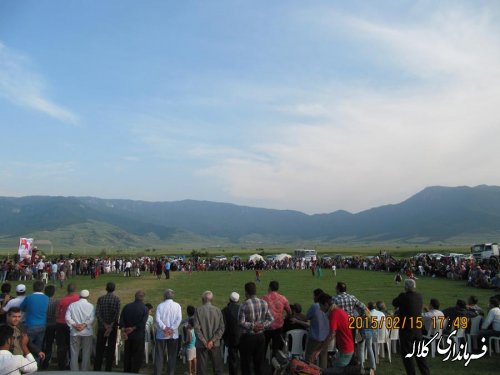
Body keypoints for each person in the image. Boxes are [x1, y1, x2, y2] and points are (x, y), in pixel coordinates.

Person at [392, 279, 429, 375]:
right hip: (417, 329)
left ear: (406, 287)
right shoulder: (419, 296)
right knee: (420, 356)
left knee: (408, 355)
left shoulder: (403, 296)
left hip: (406, 329)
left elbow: (394, 302)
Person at [238, 281, 274, 375]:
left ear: (246, 292)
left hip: (248, 337)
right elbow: (271, 319)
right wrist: (262, 326)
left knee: (246, 364)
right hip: (260, 336)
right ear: (255, 291)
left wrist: (253, 326)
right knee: (259, 363)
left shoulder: (244, 304)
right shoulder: (264, 303)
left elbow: (241, 322)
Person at [312, 293, 355, 369]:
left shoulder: (334, 314)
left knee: (336, 370)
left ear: (326, 304)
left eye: (321, 306)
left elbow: (332, 334)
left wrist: (319, 350)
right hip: (345, 348)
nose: (320, 309)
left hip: (345, 349)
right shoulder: (338, 310)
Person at [193, 290, 225, 375]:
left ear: (203, 299)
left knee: (201, 370)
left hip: (201, 344)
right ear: (212, 299)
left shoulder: (198, 310)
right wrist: (212, 341)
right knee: (217, 369)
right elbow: (221, 328)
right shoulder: (218, 310)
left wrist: (205, 341)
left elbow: (196, 329)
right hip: (215, 344)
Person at [65, 289, 95, 371]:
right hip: (87, 332)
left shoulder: (72, 305)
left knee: (74, 353)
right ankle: (85, 370)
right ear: (88, 296)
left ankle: (74, 371)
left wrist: (74, 324)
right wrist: (84, 325)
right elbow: (92, 318)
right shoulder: (91, 306)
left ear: (79, 296)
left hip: (75, 332)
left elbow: (67, 317)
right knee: (86, 353)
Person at [120, 290, 149, 373]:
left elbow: (122, 320)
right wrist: (133, 328)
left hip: (127, 335)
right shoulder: (144, 308)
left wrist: (124, 329)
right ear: (143, 298)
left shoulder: (127, 306)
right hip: (138, 335)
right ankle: (135, 371)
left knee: (127, 354)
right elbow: (142, 323)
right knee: (137, 355)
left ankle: (126, 371)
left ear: (135, 297)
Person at [154, 289, 182, 375]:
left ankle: (158, 373)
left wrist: (165, 328)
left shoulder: (160, 305)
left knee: (159, 355)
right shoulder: (177, 305)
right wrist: (170, 329)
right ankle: (170, 373)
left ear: (164, 296)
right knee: (172, 356)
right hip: (172, 334)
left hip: (162, 334)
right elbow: (179, 319)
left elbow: (157, 319)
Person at [20, 280, 49, 364]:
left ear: (33, 288)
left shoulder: (29, 297)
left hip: (30, 325)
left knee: (27, 345)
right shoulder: (46, 298)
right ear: (42, 288)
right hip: (42, 325)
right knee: (38, 346)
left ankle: (28, 363)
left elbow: (22, 308)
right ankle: (37, 364)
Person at [94, 282, 121, 371]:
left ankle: (97, 368)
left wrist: (104, 324)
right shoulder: (117, 299)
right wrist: (111, 325)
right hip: (112, 328)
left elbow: (97, 313)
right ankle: (108, 368)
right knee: (111, 348)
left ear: (106, 289)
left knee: (99, 348)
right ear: (114, 289)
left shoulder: (101, 299)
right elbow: (117, 314)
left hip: (102, 327)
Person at [262, 280, 291, 358]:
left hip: (267, 326)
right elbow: (289, 311)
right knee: (276, 348)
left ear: (270, 287)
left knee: (264, 347)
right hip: (278, 326)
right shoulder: (283, 298)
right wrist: (285, 317)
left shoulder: (264, 298)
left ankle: (262, 362)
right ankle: (274, 364)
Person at [55, 283, 79, 370]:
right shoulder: (78, 299)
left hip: (61, 323)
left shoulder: (62, 300)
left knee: (61, 345)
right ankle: (72, 364)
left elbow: (57, 313)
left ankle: (61, 365)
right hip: (73, 325)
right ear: (75, 290)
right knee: (72, 346)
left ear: (67, 290)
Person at [304, 289, 329, 369]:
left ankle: (310, 371)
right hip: (326, 337)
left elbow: (307, 317)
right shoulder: (328, 306)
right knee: (323, 358)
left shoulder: (315, 306)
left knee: (309, 357)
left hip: (315, 338)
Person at [222, 292, 241, 375]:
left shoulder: (225, 310)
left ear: (229, 299)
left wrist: (224, 338)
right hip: (243, 336)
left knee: (233, 359)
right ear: (238, 300)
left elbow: (223, 326)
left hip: (231, 338)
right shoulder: (242, 308)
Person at [41, 285, 58, 369]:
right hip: (52, 325)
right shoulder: (56, 302)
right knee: (49, 344)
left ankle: (42, 360)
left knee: (42, 343)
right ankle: (46, 361)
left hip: (43, 324)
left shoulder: (42, 301)